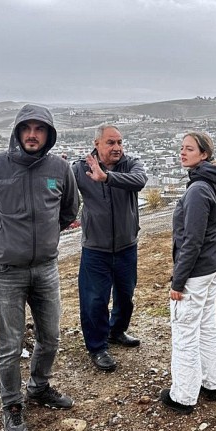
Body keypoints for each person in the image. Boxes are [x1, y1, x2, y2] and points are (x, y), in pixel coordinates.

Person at [0, 104, 79, 431]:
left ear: (48, 134)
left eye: (39, 129)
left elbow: (70, 208)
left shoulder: (59, 168)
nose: (32, 134)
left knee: (51, 337)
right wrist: (0, 238)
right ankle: (12, 405)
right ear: (16, 131)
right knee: (10, 345)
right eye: (26, 128)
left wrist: (46, 238)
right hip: (5, 271)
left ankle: (39, 387)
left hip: (45, 268)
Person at [161, 131, 216, 415]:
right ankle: (211, 381)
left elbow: (192, 240)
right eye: (181, 148)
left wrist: (178, 281)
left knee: (185, 330)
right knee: (205, 324)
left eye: (189, 149)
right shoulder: (212, 182)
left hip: (198, 270)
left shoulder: (198, 189)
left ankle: (184, 395)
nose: (182, 152)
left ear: (203, 154)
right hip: (213, 264)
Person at [73, 124, 148, 372]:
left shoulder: (131, 165)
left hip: (127, 246)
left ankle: (117, 331)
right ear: (97, 144)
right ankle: (97, 347)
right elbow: (60, 188)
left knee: (125, 295)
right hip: (96, 248)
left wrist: (107, 178)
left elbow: (139, 181)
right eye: (110, 143)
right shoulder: (81, 168)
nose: (117, 148)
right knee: (95, 300)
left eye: (119, 142)